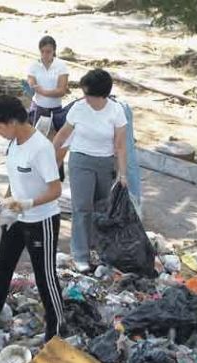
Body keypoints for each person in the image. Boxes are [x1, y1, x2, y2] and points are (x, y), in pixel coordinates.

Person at [0, 95, 65, 342]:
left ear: (12, 122)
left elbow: (55, 190)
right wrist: (5, 205)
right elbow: (15, 180)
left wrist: (27, 204)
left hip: (41, 220)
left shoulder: (40, 148)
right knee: (2, 266)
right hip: (17, 217)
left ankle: (57, 329)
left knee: (45, 276)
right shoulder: (13, 143)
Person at [52, 68, 127, 273]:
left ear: (101, 95)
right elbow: (62, 136)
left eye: (89, 94)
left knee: (102, 208)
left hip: (105, 163)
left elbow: (120, 145)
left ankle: (100, 250)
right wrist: (48, 156)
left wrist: (122, 173)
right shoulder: (78, 108)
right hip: (81, 161)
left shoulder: (116, 111)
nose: (85, 98)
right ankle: (80, 255)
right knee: (82, 208)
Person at [27, 35, 69, 134]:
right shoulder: (34, 65)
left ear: (54, 51)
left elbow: (61, 91)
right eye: (42, 51)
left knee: (54, 138)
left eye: (48, 52)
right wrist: (32, 87)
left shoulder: (61, 66)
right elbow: (31, 82)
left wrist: (43, 91)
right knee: (35, 136)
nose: (45, 55)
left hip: (56, 109)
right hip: (38, 107)